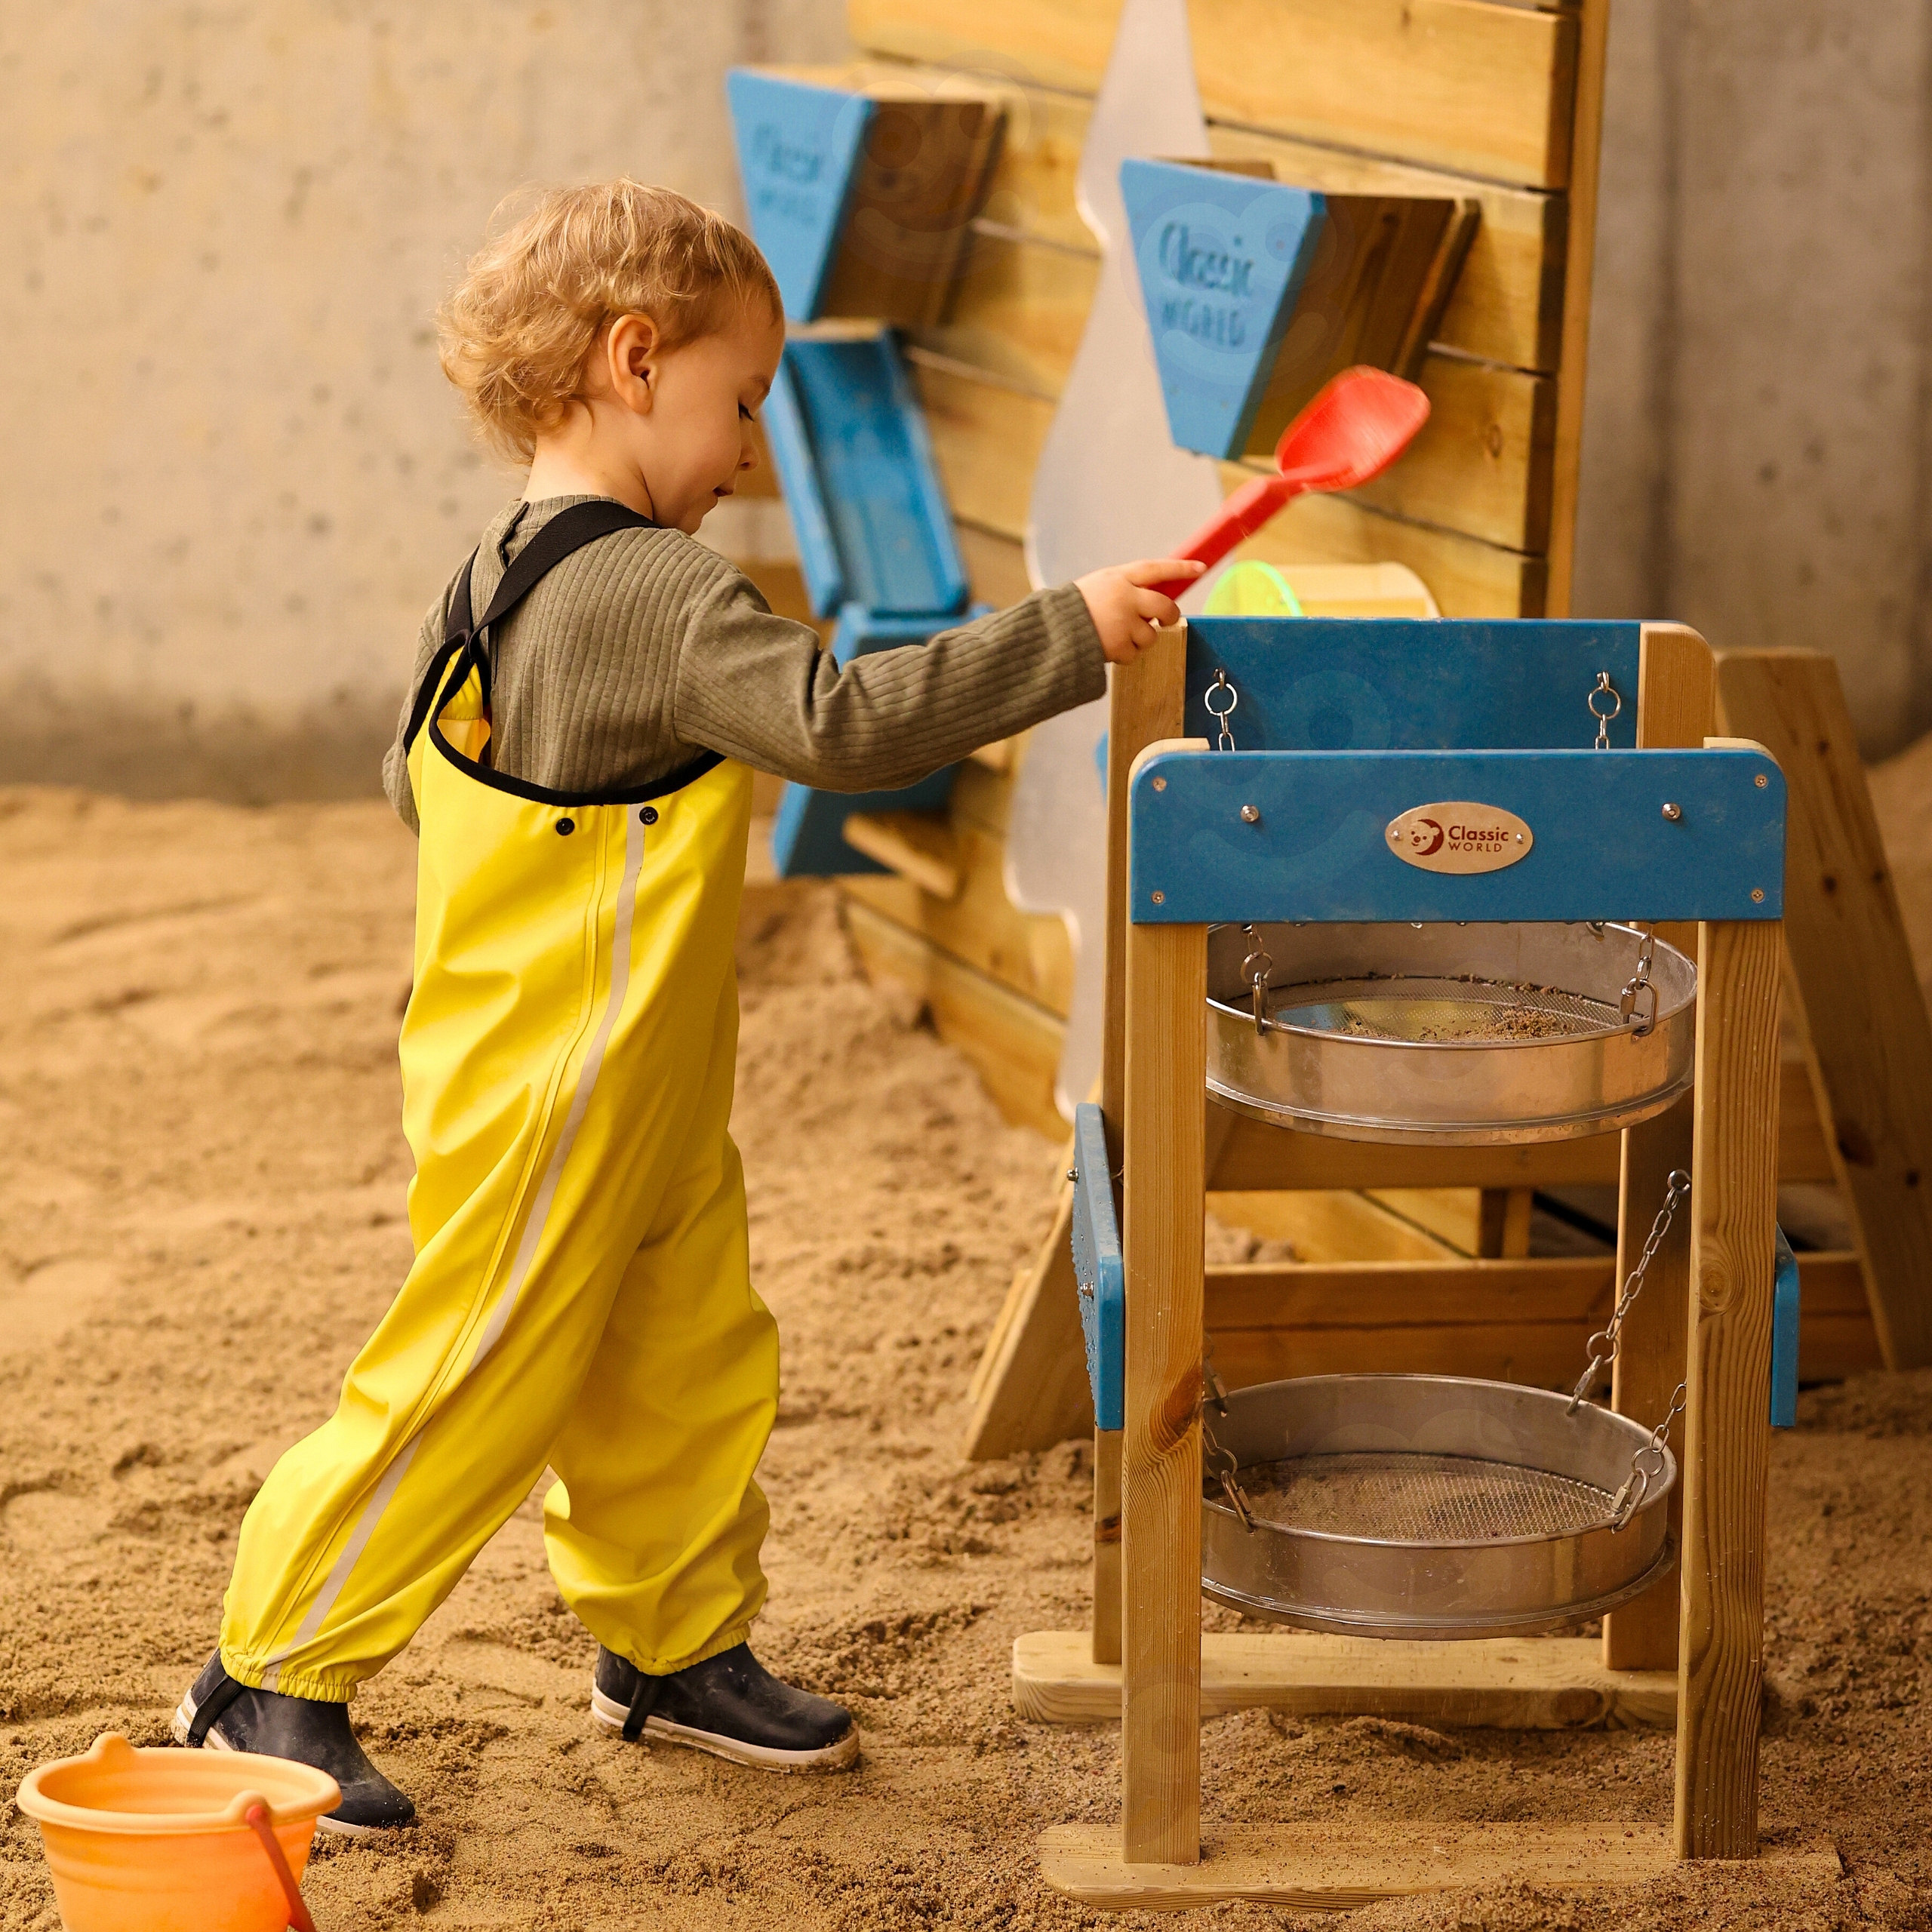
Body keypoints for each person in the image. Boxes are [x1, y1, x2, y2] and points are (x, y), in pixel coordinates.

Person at [171, 178, 1202, 1835]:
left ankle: (670, 1645)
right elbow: (844, 724)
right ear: (635, 360)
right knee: (472, 1367)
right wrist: (1067, 632)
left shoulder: (490, 573)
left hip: (612, 1067)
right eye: (741, 401)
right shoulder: (652, 591)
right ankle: (265, 1673)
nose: (748, 451)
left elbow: (412, 780)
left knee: (680, 1359)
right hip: (561, 1082)